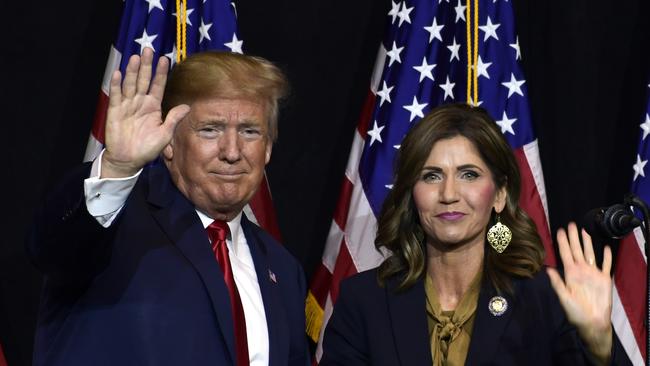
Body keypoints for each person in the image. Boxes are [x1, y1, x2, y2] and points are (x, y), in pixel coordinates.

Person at [27, 48, 310, 366]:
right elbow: (54, 252)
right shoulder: (114, 221)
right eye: (210, 129)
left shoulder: (283, 269)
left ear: (268, 147)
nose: (232, 151)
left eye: (249, 131)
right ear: (170, 142)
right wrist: (117, 169)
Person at [320, 103, 631, 366]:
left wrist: (601, 346)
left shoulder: (546, 298)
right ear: (411, 194)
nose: (449, 193)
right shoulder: (363, 301)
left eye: (469, 174)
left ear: (499, 194)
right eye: (431, 176)